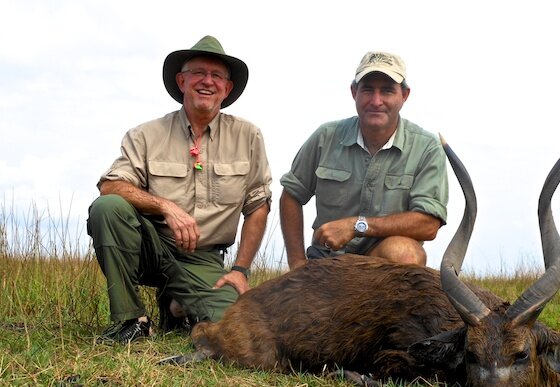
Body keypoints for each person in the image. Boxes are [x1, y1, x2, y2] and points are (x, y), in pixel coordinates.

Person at [87, 35, 272, 343]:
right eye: (198, 73)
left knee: (239, 330)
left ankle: (176, 306)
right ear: (182, 80)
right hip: (151, 248)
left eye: (217, 76)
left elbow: (258, 205)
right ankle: (132, 320)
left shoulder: (248, 136)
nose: (207, 82)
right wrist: (166, 207)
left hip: (205, 259)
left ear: (227, 89)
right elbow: (110, 185)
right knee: (107, 208)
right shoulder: (146, 134)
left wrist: (241, 269)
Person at [280, 51, 448, 270]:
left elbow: (428, 225)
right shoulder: (325, 137)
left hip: (382, 267)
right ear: (354, 92)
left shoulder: (427, 147)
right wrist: (296, 262)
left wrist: (357, 226)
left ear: (404, 95)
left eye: (387, 91)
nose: (376, 101)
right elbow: (292, 195)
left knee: (405, 253)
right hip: (327, 261)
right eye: (368, 90)